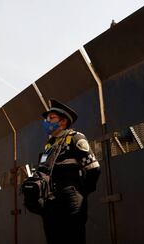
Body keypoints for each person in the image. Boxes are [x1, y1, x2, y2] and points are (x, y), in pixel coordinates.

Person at [39, 99, 100, 244]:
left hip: (70, 198)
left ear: (63, 121)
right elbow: (42, 171)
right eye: (47, 118)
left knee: (73, 238)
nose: (47, 121)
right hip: (51, 202)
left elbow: (94, 169)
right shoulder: (49, 145)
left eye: (51, 118)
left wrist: (81, 192)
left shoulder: (75, 138)